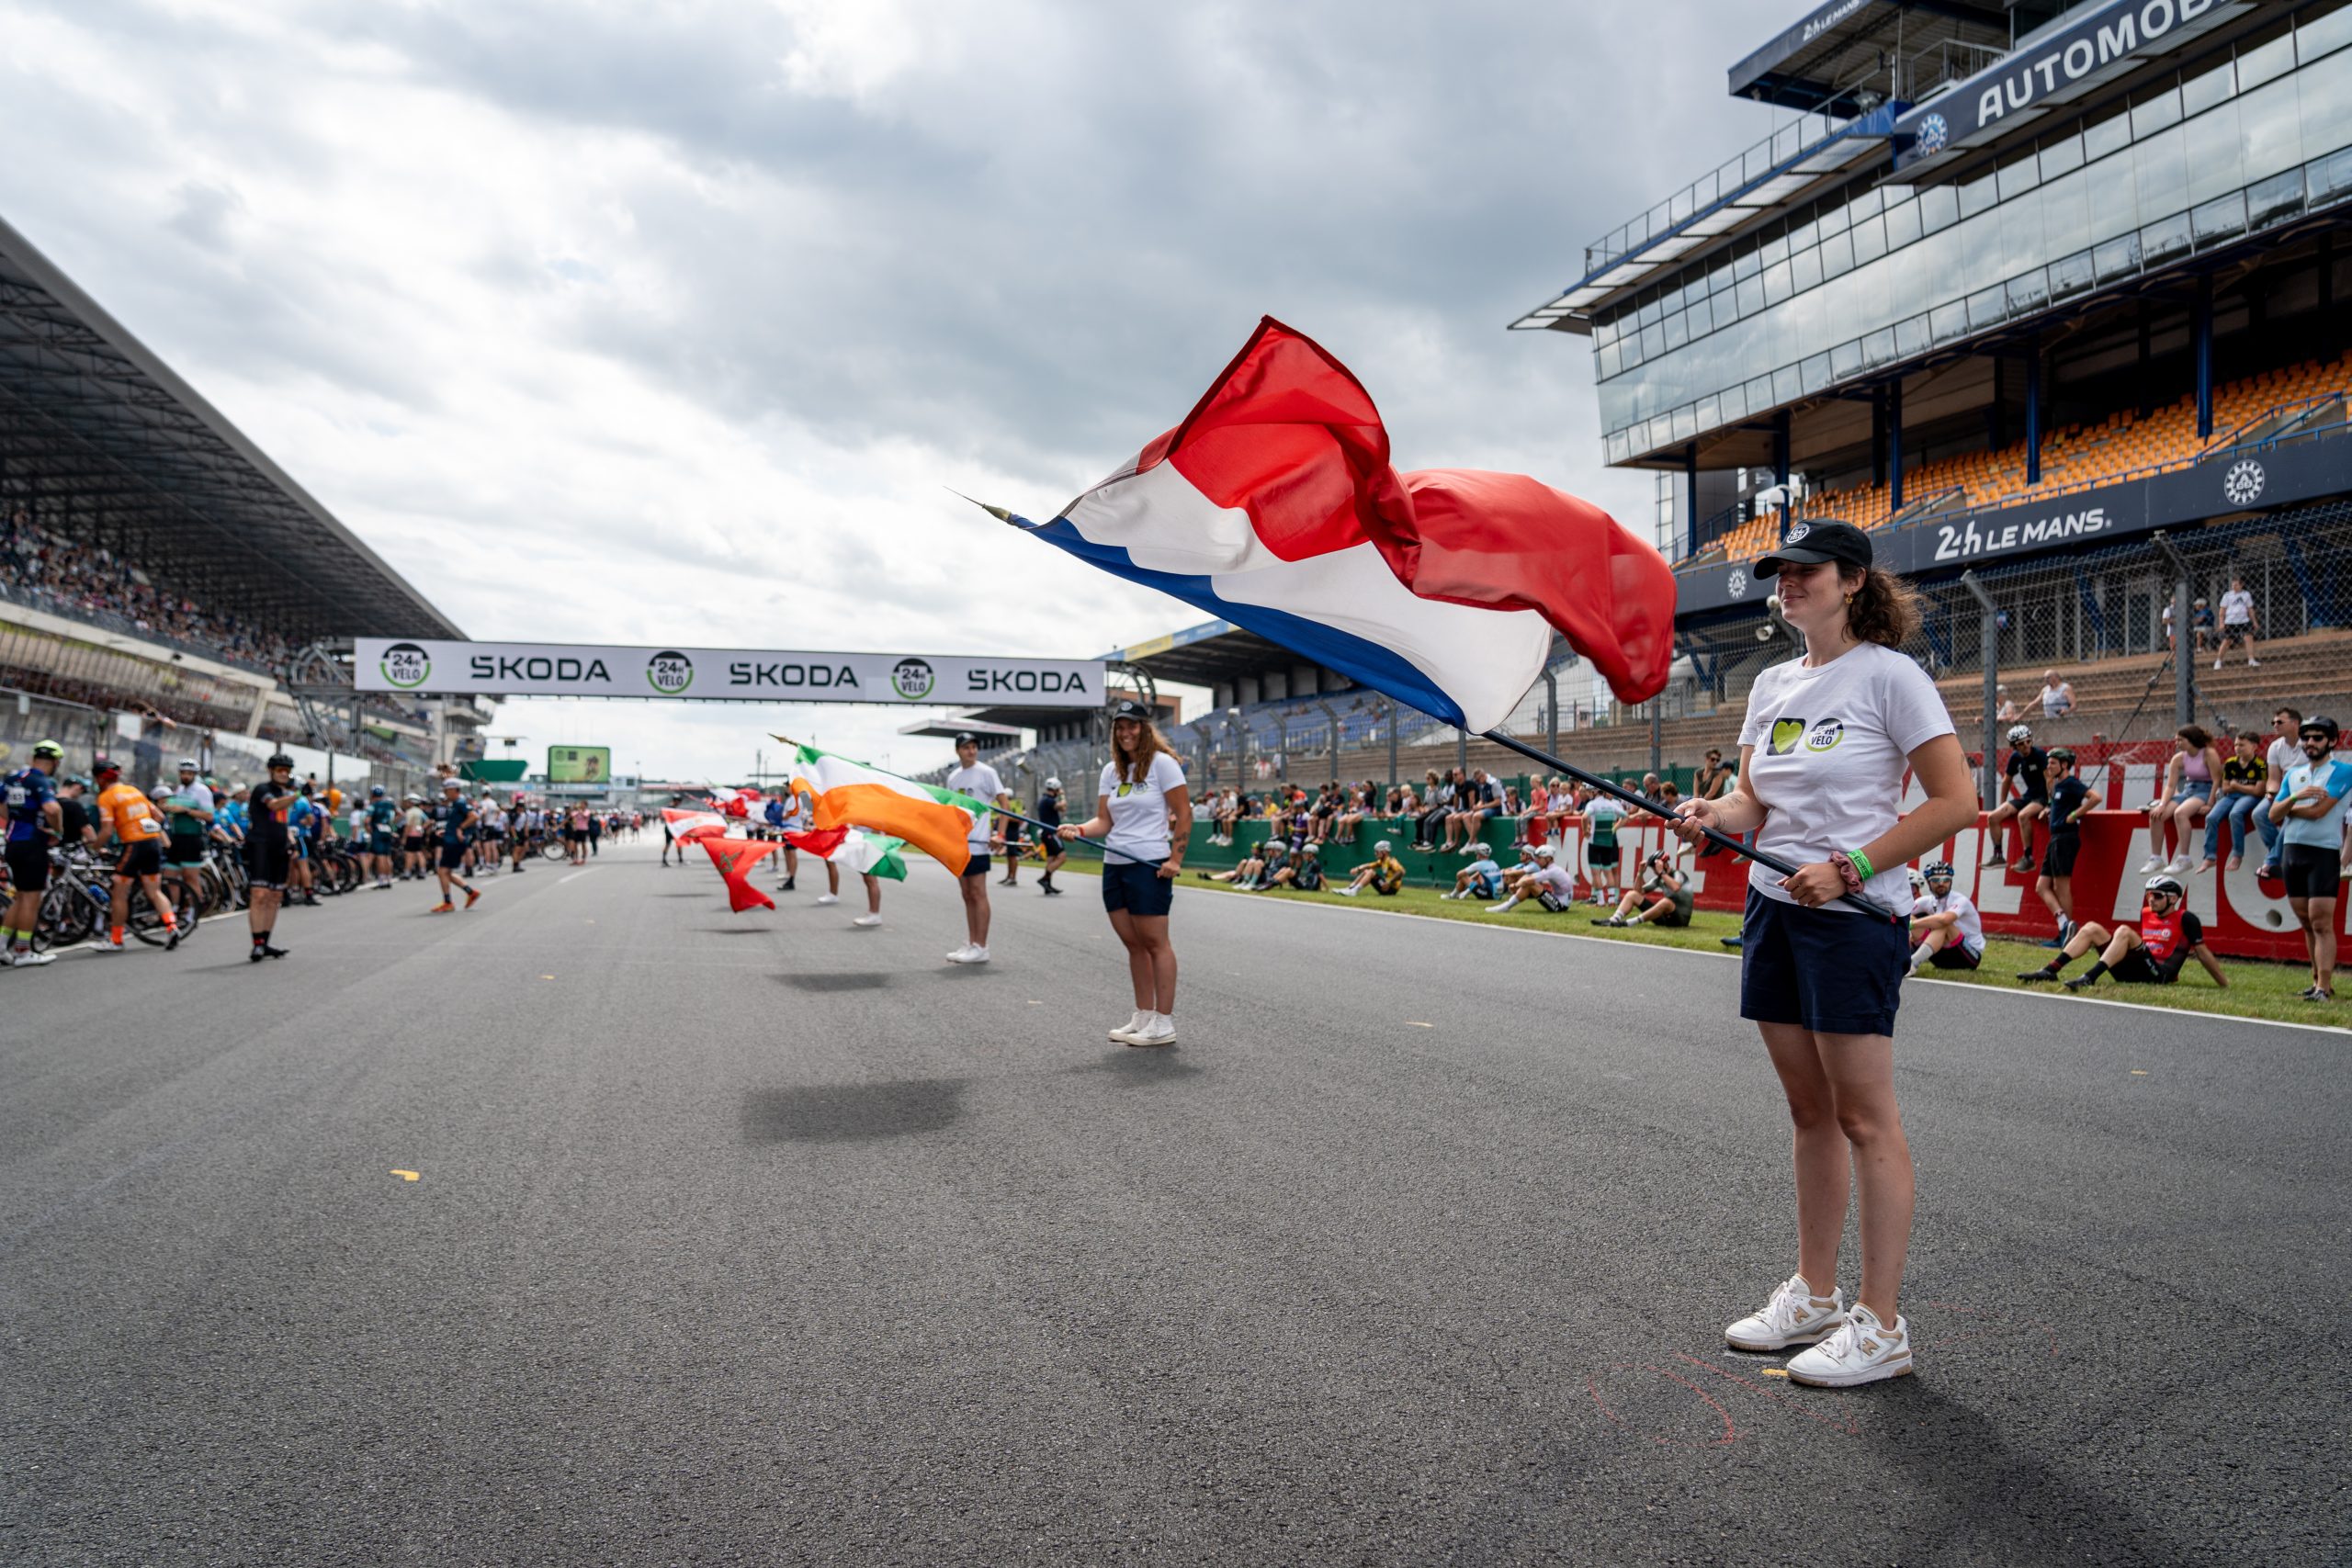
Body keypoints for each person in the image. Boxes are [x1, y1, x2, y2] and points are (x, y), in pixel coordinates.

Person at [1668, 520, 1976, 1390]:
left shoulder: (1890, 675)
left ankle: (1882, 1323)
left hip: (1852, 917)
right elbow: (1751, 802)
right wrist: (1715, 816)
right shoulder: (1770, 684)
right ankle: (1814, 1291)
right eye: (1781, 572)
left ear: (1851, 582)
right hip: (1774, 912)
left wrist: (1851, 869)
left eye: (1806, 571)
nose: (1788, 582)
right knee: (1809, 1112)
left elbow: (1958, 802)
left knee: (1864, 1117)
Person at [1056, 699, 1189, 1046]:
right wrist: (1079, 829)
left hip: (1149, 865)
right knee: (1133, 944)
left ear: (1145, 728)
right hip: (1114, 864)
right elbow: (1105, 820)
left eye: (1133, 725)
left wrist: (1176, 859)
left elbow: (1184, 814)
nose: (1126, 732)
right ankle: (1143, 1015)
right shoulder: (1111, 771)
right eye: (1120, 726)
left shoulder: (1163, 765)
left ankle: (1164, 1022)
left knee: (1155, 943)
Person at [2017, 874, 2225, 992]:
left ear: (2172, 899)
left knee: (2124, 931)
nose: (2150, 899)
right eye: (2148, 895)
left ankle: (2089, 977)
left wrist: (2223, 984)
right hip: (2135, 970)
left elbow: (2203, 952)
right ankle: (2050, 970)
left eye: (2157, 895)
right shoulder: (2146, 913)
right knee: (2091, 928)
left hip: (2159, 975)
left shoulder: (2186, 918)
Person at [2267, 715, 2352, 1002]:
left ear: (2331, 741)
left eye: (2317, 738)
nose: (2310, 743)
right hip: (2293, 851)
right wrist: (2296, 798)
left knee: (2321, 923)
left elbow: (2319, 812)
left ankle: (2324, 988)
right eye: (2306, 738)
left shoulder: (2344, 771)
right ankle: (2316, 981)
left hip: (2323, 852)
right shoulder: (2294, 774)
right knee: (2305, 922)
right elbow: (2272, 815)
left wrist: (2288, 806)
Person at [91, 755, 181, 952]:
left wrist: (93, 849)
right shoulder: (133, 790)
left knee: (119, 893)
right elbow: (159, 816)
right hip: (152, 842)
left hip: (133, 844)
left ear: (100, 779)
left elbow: (106, 831)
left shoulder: (106, 797)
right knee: (154, 891)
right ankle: (172, 926)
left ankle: (116, 940)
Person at [944, 732, 1011, 964]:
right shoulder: (953, 777)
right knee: (966, 894)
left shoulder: (987, 772)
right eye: (966, 747)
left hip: (980, 843)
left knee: (978, 892)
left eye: (974, 747)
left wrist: (999, 834)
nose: (971, 751)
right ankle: (972, 942)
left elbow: (1004, 804)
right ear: (957, 751)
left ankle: (981, 946)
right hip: (961, 842)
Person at [2, 738, 65, 967]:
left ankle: (1, 947)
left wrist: (16, 820)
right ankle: (23, 951)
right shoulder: (41, 781)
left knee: (20, 896)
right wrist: (57, 829)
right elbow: (52, 807)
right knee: (31, 899)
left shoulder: (12, 778)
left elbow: (2, 806)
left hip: (13, 841)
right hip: (33, 844)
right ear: (56, 761)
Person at [2140, 725, 2221, 874]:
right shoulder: (2178, 758)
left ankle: (2184, 859)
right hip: (2188, 790)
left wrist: (2210, 803)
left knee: (2180, 813)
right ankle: (2156, 858)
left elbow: (2217, 780)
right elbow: (2170, 786)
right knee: (2156, 815)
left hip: (2205, 790)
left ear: (2191, 740)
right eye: (2176, 740)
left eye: (2180, 740)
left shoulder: (2209, 754)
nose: (2176, 743)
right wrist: (2162, 805)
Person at [2033, 748, 2092, 944]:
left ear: (2064, 764)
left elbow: (2095, 798)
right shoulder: (2057, 785)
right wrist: (2049, 809)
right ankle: (2064, 924)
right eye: (2048, 762)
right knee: (2042, 887)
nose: (2048, 766)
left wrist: (2075, 815)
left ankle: (2069, 937)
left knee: (2061, 886)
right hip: (2055, 838)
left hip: (2066, 838)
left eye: (2053, 763)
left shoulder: (2071, 783)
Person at [243, 754, 296, 961]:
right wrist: (298, 794)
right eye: (280, 770)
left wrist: (290, 839)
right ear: (271, 770)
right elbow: (273, 806)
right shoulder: (262, 789)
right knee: (259, 894)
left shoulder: (284, 792)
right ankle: (256, 944)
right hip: (260, 846)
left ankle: (265, 942)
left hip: (279, 847)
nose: (284, 773)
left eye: (287, 770)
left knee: (275, 896)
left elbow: (281, 820)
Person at [1982, 724, 2047, 874]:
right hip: (2029, 796)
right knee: (1993, 817)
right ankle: (1998, 856)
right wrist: (2003, 802)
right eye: (2021, 744)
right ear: (2014, 747)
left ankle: (2028, 858)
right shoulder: (2016, 757)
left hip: (2042, 796)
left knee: (2023, 815)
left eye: (2028, 742)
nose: (2026, 746)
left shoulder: (2040, 755)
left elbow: (2050, 780)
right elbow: (2007, 780)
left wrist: (2050, 803)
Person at [2203, 732, 2267, 873]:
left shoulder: (2261, 765)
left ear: (2254, 746)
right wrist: (2244, 788)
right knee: (2211, 817)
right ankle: (2210, 856)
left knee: (2235, 814)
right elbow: (2225, 788)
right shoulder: (2230, 763)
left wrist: (2237, 786)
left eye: (2242, 745)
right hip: (2231, 796)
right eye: (2236, 745)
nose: (2238, 748)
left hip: (2249, 797)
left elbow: (2259, 791)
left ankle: (2237, 855)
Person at [159, 757, 215, 919]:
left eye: (189, 773)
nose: (186, 776)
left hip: (192, 838)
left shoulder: (201, 790)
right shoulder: (179, 790)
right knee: (170, 875)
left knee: (191, 877)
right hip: (176, 837)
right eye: (183, 773)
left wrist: (185, 810)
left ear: (195, 774)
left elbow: (209, 816)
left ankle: (194, 910)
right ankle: (175, 908)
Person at [1905, 862, 1982, 976]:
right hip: (1940, 957)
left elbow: (1944, 919)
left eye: (1946, 880)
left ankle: (1912, 963)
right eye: (1936, 880)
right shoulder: (1927, 901)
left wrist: (1911, 925)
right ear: (1928, 882)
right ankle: (1899, 958)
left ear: (1951, 881)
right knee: (1907, 916)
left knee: (1944, 925)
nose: (1941, 884)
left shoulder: (1961, 900)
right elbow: (1901, 915)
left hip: (1969, 956)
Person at [2256, 707, 2304, 880]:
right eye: (2273, 722)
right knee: (2259, 814)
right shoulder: (2275, 746)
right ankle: (2280, 854)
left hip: (2304, 791)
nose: (2275, 725)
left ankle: (2271, 861)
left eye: (2280, 722)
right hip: (2284, 789)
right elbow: (2274, 778)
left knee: (2289, 815)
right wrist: (2271, 792)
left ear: (2295, 723)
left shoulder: (2309, 743)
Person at [1595, 851, 1694, 929]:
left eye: (1655, 868)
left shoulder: (1678, 874)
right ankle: (1613, 920)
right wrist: (1640, 873)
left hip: (1680, 920)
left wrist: (1661, 872)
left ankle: (1629, 923)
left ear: (1664, 864)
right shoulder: (1659, 878)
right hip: (1665, 917)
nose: (1655, 871)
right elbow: (1637, 892)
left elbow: (1676, 887)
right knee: (1631, 894)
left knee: (1666, 902)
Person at [430, 779, 482, 913]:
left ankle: (448, 902)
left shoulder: (460, 802)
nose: (445, 793)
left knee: (442, 871)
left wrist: (460, 828)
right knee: (446, 872)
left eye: (446, 790)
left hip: (454, 842)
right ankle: (470, 892)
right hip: (451, 839)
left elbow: (474, 817)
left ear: (454, 790)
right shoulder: (457, 803)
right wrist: (447, 831)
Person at [1486, 841, 1577, 913]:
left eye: (1540, 858)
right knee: (1528, 881)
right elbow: (1528, 877)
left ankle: (1506, 906)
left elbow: (1529, 880)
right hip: (1559, 902)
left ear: (1548, 859)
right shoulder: (1552, 869)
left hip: (1560, 906)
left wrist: (1515, 885)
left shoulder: (1552, 871)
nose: (1537, 861)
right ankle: (1506, 906)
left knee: (1530, 884)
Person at [1583, 787, 1624, 905]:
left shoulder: (1592, 804)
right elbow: (1625, 815)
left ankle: (1600, 901)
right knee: (1608, 871)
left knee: (1596, 872)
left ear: (1595, 792)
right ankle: (1611, 899)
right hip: (1608, 841)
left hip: (1595, 841)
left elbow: (1585, 817)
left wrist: (1585, 830)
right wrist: (1613, 829)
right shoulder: (1611, 804)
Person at [2215, 575, 2259, 669]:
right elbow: (2222, 611)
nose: (2234, 587)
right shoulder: (2227, 595)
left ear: (2241, 585)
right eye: (2233, 585)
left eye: (2236, 585)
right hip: (2230, 621)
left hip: (2244, 621)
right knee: (2227, 641)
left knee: (2248, 638)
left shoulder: (2246, 595)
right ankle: (2218, 661)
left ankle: (2251, 659)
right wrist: (2221, 623)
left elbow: (2250, 609)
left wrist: (2254, 621)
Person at [1336, 840, 1407, 897]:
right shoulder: (1382, 861)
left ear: (1384, 852)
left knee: (1371, 872)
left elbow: (1401, 872)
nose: (1375, 854)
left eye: (1377, 852)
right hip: (1386, 886)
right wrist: (1357, 869)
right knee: (1367, 871)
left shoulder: (1391, 861)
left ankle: (1354, 891)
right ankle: (1350, 888)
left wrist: (1389, 882)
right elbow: (1369, 865)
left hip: (1391, 889)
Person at [1035, 778, 1068, 896]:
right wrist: (1063, 796)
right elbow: (1063, 806)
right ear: (1056, 788)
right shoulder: (1048, 800)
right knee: (1062, 856)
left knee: (1051, 858)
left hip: (1047, 833)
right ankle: (1044, 878)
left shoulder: (1046, 800)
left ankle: (1047, 884)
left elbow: (1063, 808)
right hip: (1051, 833)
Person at [1441, 843, 1505, 902]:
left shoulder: (1479, 864)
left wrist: (1464, 881)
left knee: (1463, 876)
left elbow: (1459, 874)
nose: (1476, 854)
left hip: (1489, 895)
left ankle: (1452, 896)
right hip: (1498, 896)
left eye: (1476, 853)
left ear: (1480, 854)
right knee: (1479, 876)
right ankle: (1464, 893)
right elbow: (1479, 874)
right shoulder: (1493, 863)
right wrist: (1470, 880)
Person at [366, 784, 398, 888]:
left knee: (380, 857)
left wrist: (370, 830)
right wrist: (390, 823)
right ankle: (389, 879)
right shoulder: (389, 804)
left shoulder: (372, 806)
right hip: (387, 831)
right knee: (387, 856)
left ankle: (382, 880)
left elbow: (367, 821)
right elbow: (400, 813)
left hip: (377, 832)